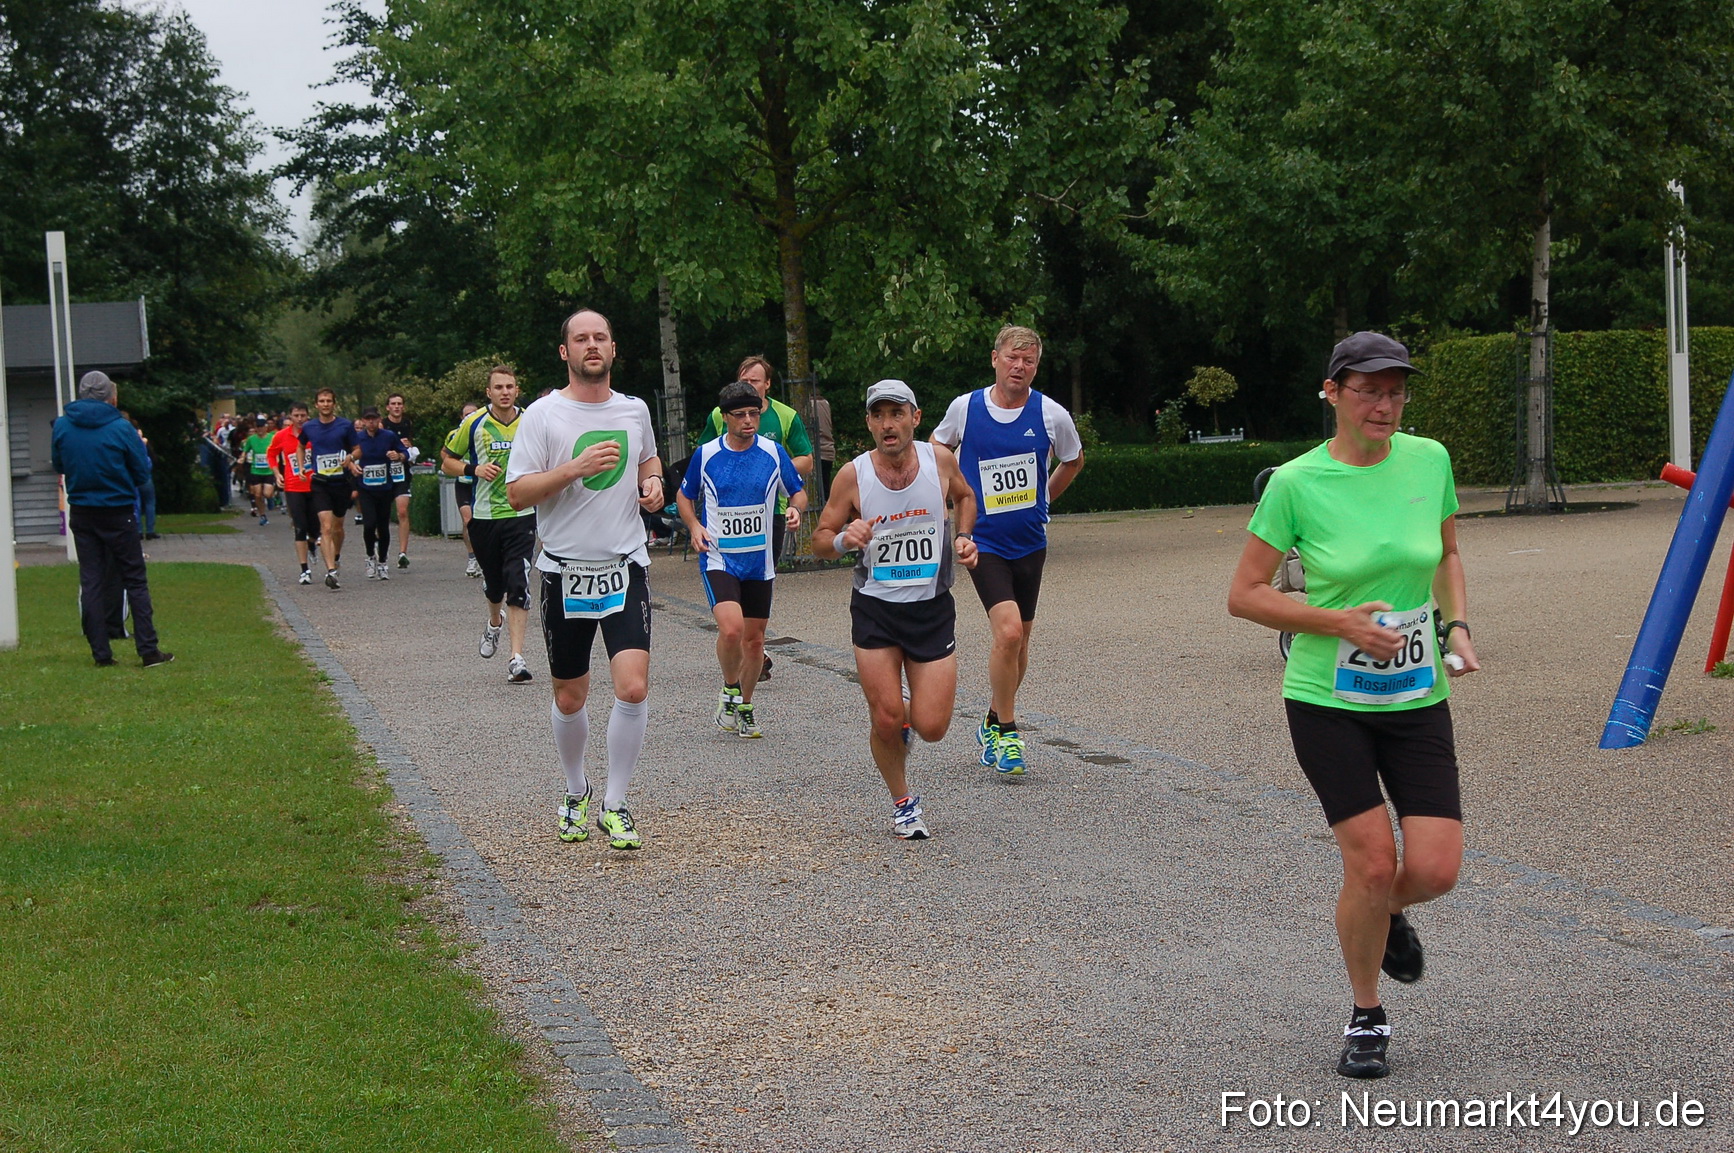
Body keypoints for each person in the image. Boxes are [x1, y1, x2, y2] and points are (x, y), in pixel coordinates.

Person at [1227, 331, 1481, 1081]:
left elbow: (1448, 553)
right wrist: (1338, 622)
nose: (1384, 404)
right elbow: (1245, 594)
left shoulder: (1429, 460)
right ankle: (1367, 1013)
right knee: (1372, 863)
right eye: (1368, 390)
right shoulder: (1296, 483)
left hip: (1416, 693)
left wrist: (1457, 624)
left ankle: (1385, 911)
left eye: (1395, 391)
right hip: (1326, 699)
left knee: (1435, 868)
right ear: (1332, 393)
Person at [506, 309, 662, 850]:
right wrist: (574, 468)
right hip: (564, 571)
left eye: (600, 337)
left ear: (613, 348)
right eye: (581, 339)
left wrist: (654, 484)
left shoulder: (634, 409)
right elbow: (517, 494)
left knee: (633, 687)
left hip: (625, 565)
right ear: (565, 352)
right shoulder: (543, 416)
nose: (591, 345)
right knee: (571, 698)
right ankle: (576, 789)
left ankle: (615, 804)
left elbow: (648, 461)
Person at [814, 380, 978, 840]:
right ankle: (904, 804)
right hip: (876, 610)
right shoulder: (853, 475)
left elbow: (966, 497)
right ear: (869, 423)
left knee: (932, 727)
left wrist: (965, 536)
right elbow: (819, 539)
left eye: (897, 413)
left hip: (931, 610)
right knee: (886, 718)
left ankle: (904, 711)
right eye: (878, 415)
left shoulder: (939, 460)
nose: (888, 424)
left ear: (915, 418)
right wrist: (844, 539)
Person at [934, 325, 1085, 775]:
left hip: (1030, 542)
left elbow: (1073, 460)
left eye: (1029, 361)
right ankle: (1009, 734)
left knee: (1019, 644)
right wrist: (953, 496)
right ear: (995, 359)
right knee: (1009, 632)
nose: (1019, 367)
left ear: (1036, 367)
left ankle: (992, 719)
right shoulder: (965, 408)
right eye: (1012, 358)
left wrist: (1044, 498)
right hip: (983, 541)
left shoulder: (1051, 414)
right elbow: (938, 447)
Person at [677, 380, 808, 738]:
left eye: (754, 413)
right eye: (740, 415)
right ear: (725, 417)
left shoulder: (772, 452)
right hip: (719, 557)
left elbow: (797, 491)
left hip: (759, 561)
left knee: (754, 640)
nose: (749, 420)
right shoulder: (706, 454)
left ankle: (745, 707)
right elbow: (685, 496)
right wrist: (694, 526)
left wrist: (795, 510)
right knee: (732, 628)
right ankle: (730, 688)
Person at [51, 371, 173, 668]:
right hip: (118, 510)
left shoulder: (63, 425)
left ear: (81, 394)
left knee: (91, 579)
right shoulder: (121, 427)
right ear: (112, 398)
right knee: (134, 579)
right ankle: (148, 650)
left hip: (82, 510)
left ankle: (101, 653)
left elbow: (59, 464)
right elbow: (141, 472)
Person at [702, 356, 814, 680]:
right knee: (729, 590)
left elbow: (806, 458)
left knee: (756, 582)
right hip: (726, 515)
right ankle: (740, 640)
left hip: (770, 513)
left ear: (767, 384)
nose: (749, 386)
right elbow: (704, 455)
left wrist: (772, 467)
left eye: (755, 381)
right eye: (744, 380)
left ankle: (751, 643)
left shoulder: (785, 416)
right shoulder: (719, 414)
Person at [443, 366, 536, 682]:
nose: (505, 392)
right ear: (489, 392)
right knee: (495, 585)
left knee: (518, 581)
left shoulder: (531, 421)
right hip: (484, 517)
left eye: (510, 386)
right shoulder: (474, 423)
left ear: (517, 390)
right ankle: (494, 622)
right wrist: (474, 469)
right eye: (499, 387)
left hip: (521, 513)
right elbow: (447, 461)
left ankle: (516, 658)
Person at [297, 387, 361, 589]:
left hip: (341, 482)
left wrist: (350, 457)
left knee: (337, 527)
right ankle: (331, 571)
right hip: (320, 482)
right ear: (316, 405)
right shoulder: (309, 427)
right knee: (325, 527)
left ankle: (337, 556)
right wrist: (301, 466)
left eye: (328, 401)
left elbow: (358, 449)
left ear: (334, 404)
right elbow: (300, 445)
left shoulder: (345, 425)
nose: (325, 404)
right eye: (322, 401)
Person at [354, 406, 409, 581]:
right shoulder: (358, 438)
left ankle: (383, 561)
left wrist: (398, 455)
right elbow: (348, 456)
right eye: (367, 419)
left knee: (383, 526)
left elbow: (405, 453)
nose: (371, 422)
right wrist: (352, 466)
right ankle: (371, 556)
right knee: (369, 524)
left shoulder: (388, 436)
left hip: (385, 488)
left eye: (374, 419)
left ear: (379, 420)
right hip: (366, 488)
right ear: (363, 421)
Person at [268, 401, 318, 584]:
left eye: (303, 415)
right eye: (296, 416)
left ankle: (312, 543)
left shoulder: (315, 433)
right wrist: (277, 473)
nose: (300, 419)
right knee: (300, 527)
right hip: (293, 486)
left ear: (308, 415)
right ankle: (304, 570)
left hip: (315, 485)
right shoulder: (282, 435)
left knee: (315, 527)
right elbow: (271, 454)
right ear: (290, 417)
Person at [382, 392, 417, 569]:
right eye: (393, 404)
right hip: (384, 474)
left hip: (402, 473)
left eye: (399, 404)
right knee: (381, 515)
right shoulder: (382, 424)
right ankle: (380, 549)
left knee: (402, 511)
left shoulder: (407, 423)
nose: (396, 407)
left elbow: (412, 448)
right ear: (387, 407)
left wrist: (408, 448)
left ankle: (403, 553)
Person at [452, 401, 482, 578]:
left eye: (473, 413)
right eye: (466, 414)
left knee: (483, 523)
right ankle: (472, 557)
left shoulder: (484, 431)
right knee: (467, 520)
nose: (470, 417)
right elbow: (446, 457)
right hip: (464, 484)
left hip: (482, 484)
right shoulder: (455, 435)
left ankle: (484, 557)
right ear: (461, 417)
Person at [244, 418, 276, 525]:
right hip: (256, 470)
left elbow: (277, 450)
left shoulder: (272, 438)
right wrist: (242, 458)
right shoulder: (251, 439)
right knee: (257, 494)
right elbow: (245, 450)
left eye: (262, 427)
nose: (260, 429)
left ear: (266, 427)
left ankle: (271, 496)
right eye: (258, 427)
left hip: (269, 470)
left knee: (267, 494)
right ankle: (262, 515)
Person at [805, 390, 835, 494]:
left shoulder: (810, 405)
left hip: (818, 450)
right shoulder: (826, 403)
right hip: (829, 449)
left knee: (816, 489)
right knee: (825, 486)